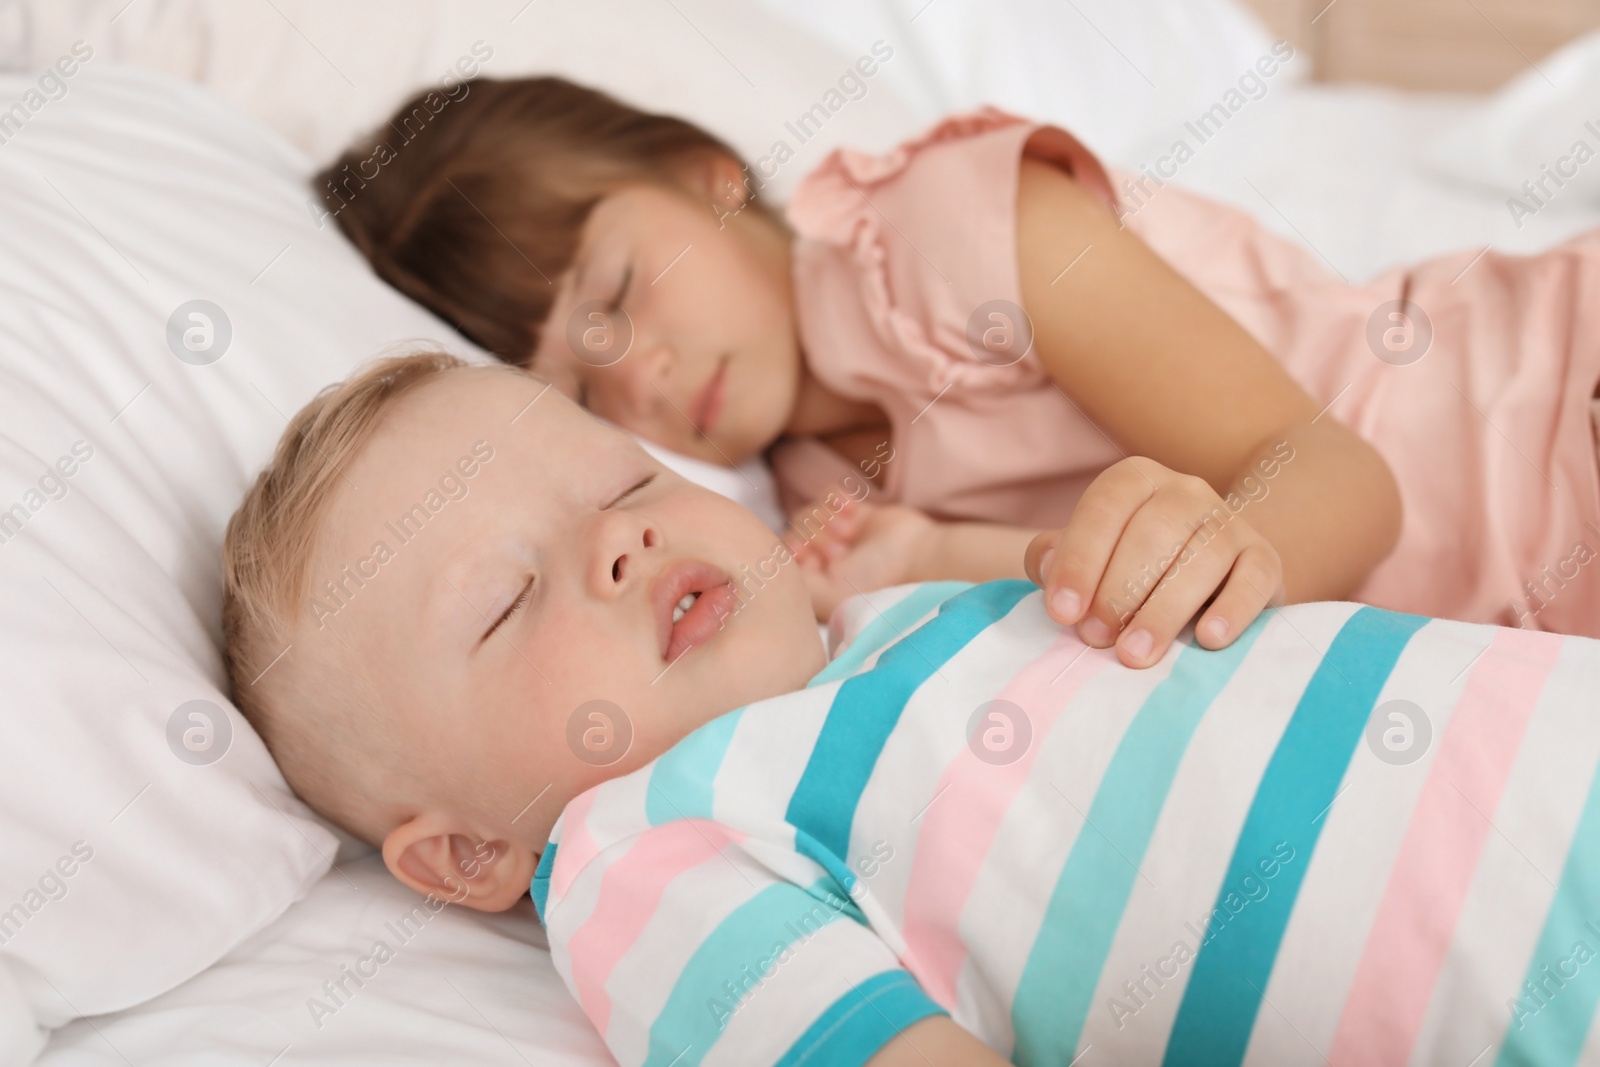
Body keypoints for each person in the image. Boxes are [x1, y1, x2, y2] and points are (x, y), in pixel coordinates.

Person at [223, 352, 1600, 1066]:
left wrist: (1171, 527)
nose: (620, 544)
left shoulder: (892, 617)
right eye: (505, 603)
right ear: (466, 851)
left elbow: (1195, 600)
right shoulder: (643, 844)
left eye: (623, 485)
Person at [317, 76, 1600, 654]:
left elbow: (1336, 485)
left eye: (616, 291)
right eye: (583, 388)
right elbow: (1103, 583)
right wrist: (926, 558)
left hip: (1547, 406)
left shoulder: (943, 229)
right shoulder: (811, 499)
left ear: (706, 174)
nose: (641, 376)